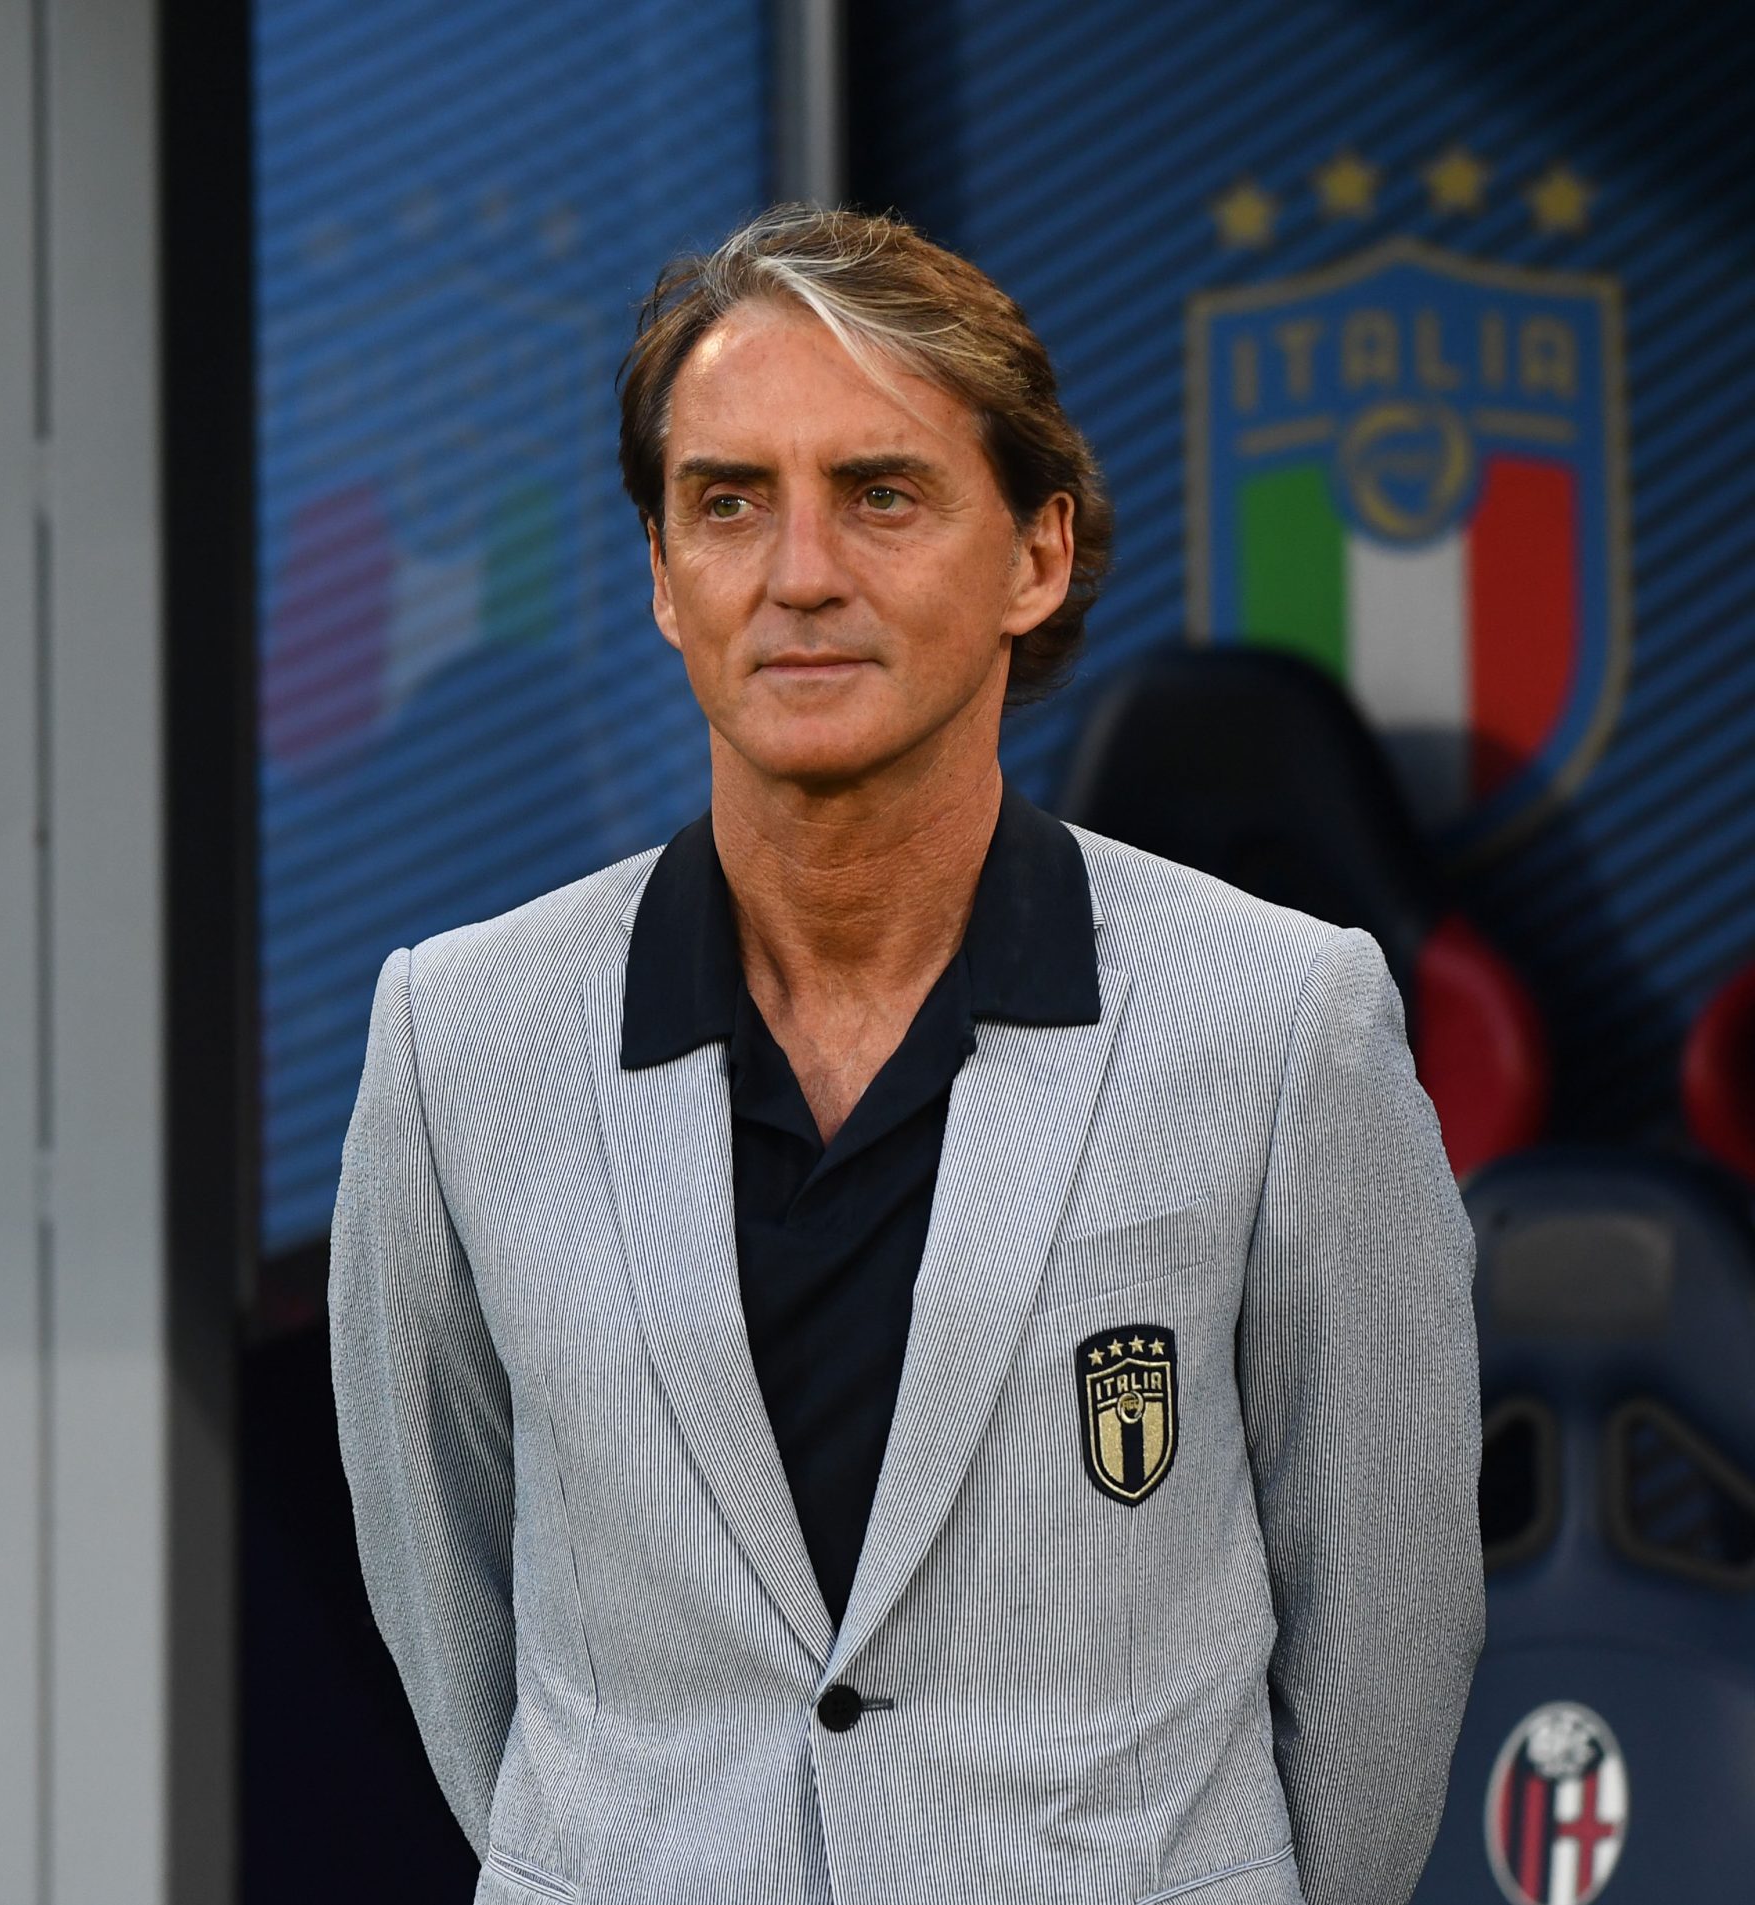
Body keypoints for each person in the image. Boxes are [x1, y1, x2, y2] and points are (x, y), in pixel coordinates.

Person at [328, 204, 1482, 1905]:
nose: (800, 572)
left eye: (880, 494)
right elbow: (450, 1611)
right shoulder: (456, 1039)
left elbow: (1385, 1634)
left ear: (1033, 554)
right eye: (729, 502)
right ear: (661, 574)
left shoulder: (1283, 1019)